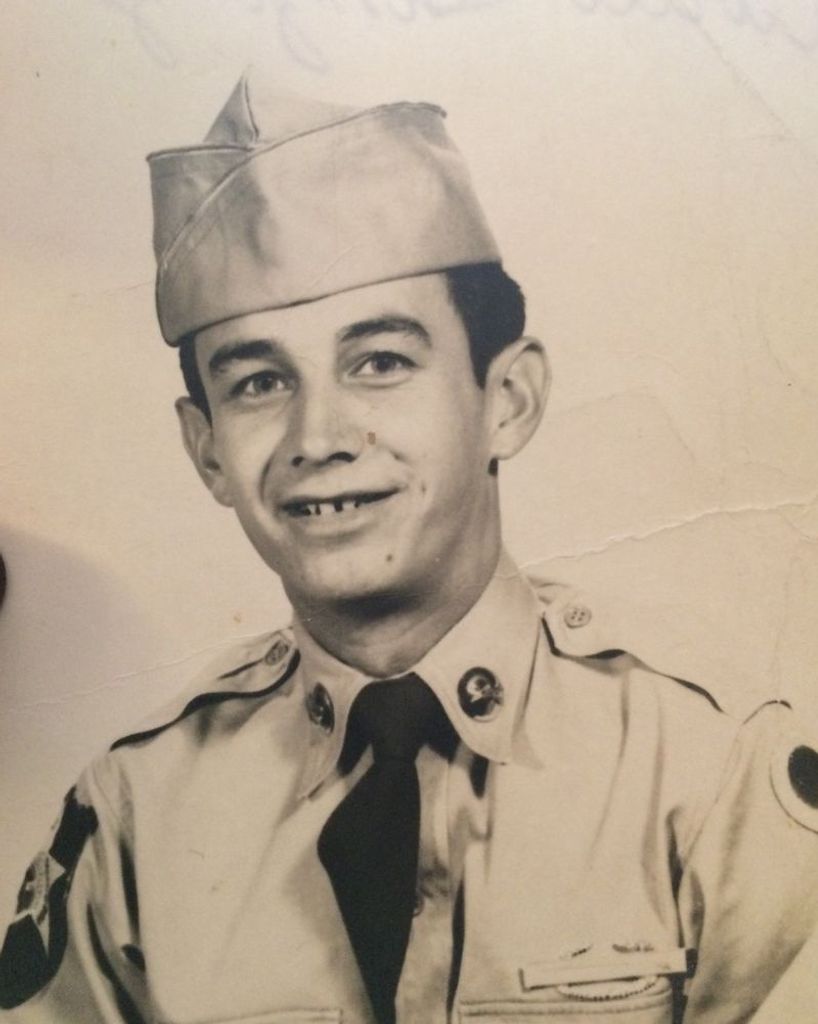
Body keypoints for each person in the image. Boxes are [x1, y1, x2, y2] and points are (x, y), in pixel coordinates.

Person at [2, 69, 818, 1024]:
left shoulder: (714, 774)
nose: (318, 437)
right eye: (259, 382)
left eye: (380, 362)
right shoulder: (136, 820)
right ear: (207, 449)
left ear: (506, 400)